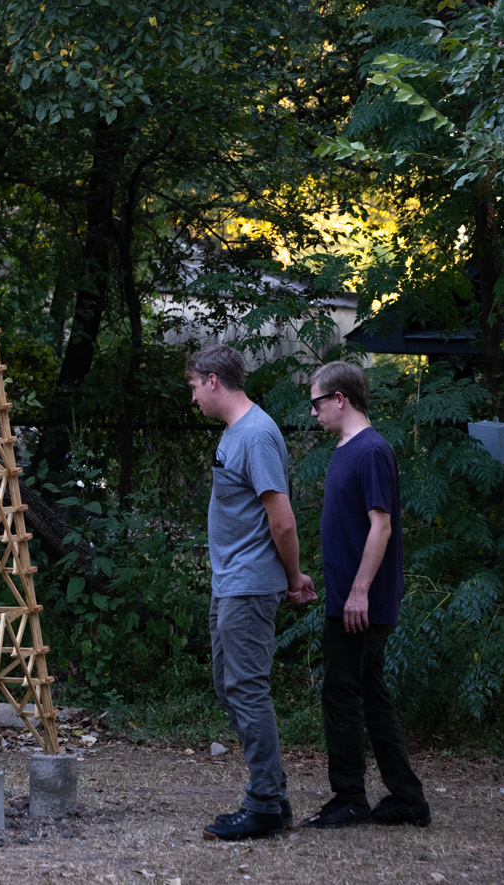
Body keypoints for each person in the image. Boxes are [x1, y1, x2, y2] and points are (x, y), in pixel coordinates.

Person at [187, 344, 317, 842]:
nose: (193, 397)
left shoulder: (258, 435)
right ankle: (274, 796)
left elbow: (281, 520)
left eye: (195, 386)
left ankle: (264, 803)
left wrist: (292, 576)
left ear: (214, 381)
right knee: (231, 686)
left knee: (247, 689)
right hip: (230, 582)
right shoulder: (233, 434)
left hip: (249, 584)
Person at [300, 359, 431, 829]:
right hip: (347, 599)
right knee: (370, 696)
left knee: (341, 694)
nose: (312, 412)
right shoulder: (346, 449)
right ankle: (407, 800)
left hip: (360, 605)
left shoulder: (371, 450)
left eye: (317, 402)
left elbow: (382, 526)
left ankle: (350, 798)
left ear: (340, 398)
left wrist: (358, 593)